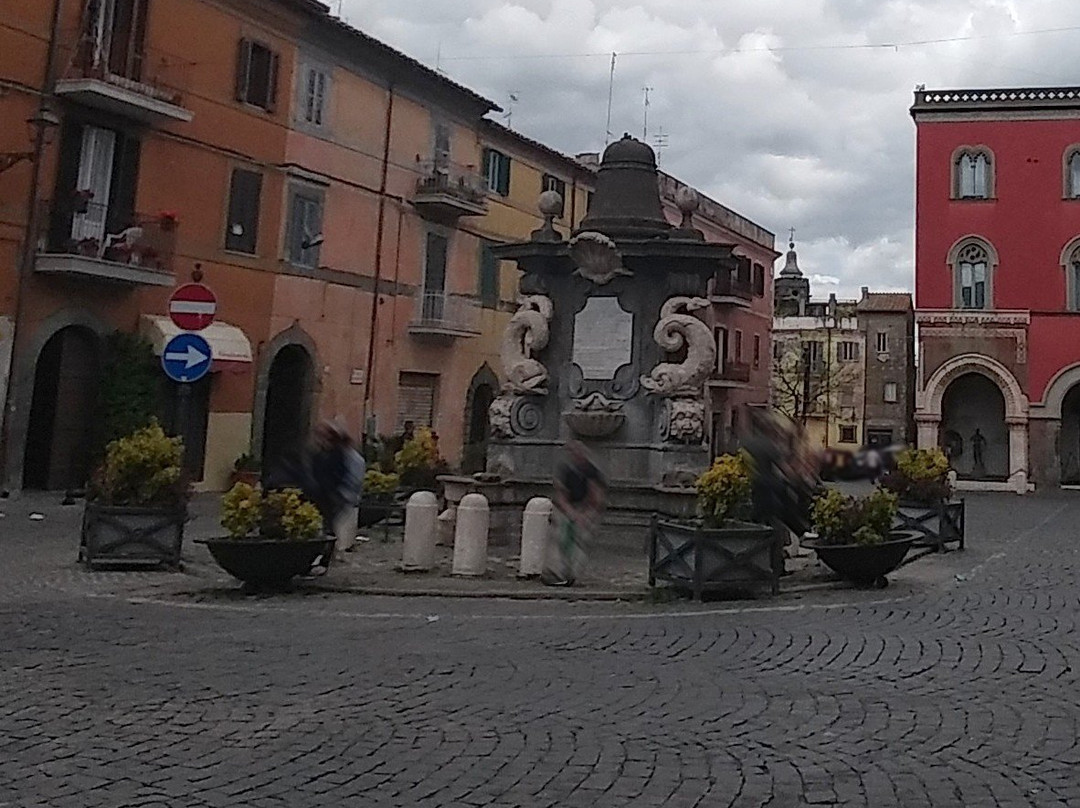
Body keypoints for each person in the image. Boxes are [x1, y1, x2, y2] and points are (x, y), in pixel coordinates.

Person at [542, 440, 606, 587]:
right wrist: (571, 512)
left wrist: (585, 515)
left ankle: (572, 575)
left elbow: (596, 495)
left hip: (585, 509)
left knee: (579, 542)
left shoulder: (590, 471)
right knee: (560, 540)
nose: (575, 456)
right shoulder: (566, 470)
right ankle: (557, 572)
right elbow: (561, 494)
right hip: (569, 509)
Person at [309, 421, 365, 569]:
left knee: (327, 527)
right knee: (324, 526)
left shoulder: (338, 455)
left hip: (333, 496)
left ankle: (324, 557)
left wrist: (339, 493)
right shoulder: (320, 454)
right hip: (321, 495)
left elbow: (342, 475)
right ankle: (322, 556)